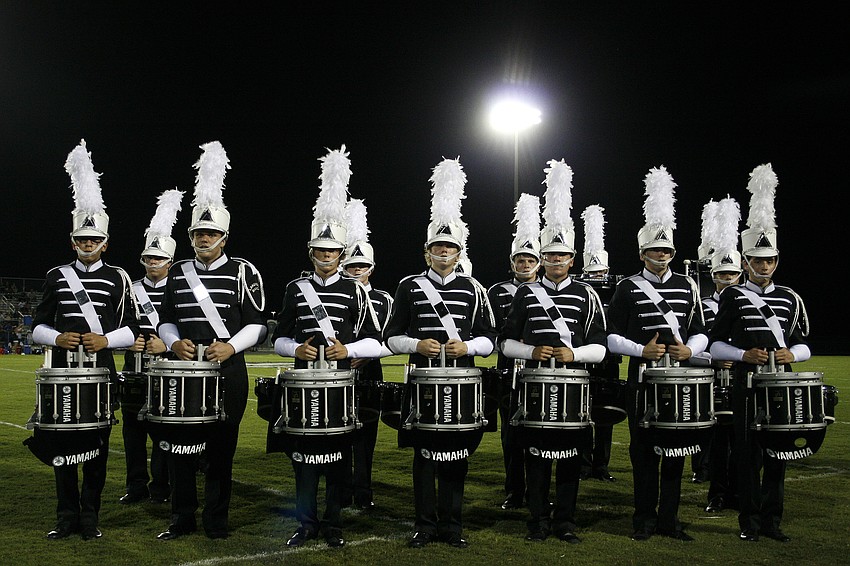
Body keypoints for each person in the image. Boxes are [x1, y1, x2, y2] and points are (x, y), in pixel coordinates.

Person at [270, 147, 382, 549]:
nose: (326, 257)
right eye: (320, 251)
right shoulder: (295, 288)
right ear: (312, 252)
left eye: (332, 251)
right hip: (304, 382)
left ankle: (333, 524)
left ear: (341, 254)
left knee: (337, 456)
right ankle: (305, 523)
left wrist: (347, 351)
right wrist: (294, 350)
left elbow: (375, 340)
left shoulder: (355, 291)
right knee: (303, 457)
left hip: (341, 383)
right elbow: (278, 338)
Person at [28, 140, 139, 540]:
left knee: (97, 446)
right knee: (62, 445)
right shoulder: (56, 276)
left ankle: (90, 516)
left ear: (105, 242)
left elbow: (132, 329)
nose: (88, 245)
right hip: (62, 372)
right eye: (82, 239)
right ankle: (65, 516)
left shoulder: (118, 277)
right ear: (72, 241)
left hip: (101, 372)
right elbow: (37, 326)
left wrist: (104, 341)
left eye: (94, 240)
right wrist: (58, 336)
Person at [156, 142, 266, 540]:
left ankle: (216, 522)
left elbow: (258, 325)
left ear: (224, 236)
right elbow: (166, 320)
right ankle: (181, 518)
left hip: (228, 369)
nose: (205, 238)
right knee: (180, 448)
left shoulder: (243, 271)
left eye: (212, 233)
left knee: (221, 450)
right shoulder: (178, 272)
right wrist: (173, 343)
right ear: (190, 235)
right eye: (199, 232)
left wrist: (231, 346)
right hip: (184, 370)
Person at [385, 158, 496, 549]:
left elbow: (490, 339)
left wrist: (468, 346)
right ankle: (424, 525)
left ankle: (452, 526)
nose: (443, 251)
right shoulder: (409, 286)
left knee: (457, 455)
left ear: (459, 250)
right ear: (427, 251)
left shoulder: (474, 288)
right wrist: (416, 345)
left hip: (463, 383)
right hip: (422, 382)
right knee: (424, 456)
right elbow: (390, 337)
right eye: (437, 246)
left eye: (449, 246)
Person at [499, 160, 607, 543]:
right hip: (534, 386)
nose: (556, 260)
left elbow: (601, 348)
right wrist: (532, 352)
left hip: (574, 387)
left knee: (570, 459)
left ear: (572, 259)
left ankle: (565, 522)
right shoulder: (526, 293)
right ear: (542, 257)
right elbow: (504, 342)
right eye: (550, 255)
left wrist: (573, 356)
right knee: (536, 458)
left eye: (563, 256)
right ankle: (537, 522)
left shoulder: (587, 294)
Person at [709, 164, 810, 543]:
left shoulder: (789, 297)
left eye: (769, 260)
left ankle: (772, 522)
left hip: (780, 384)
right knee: (748, 454)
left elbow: (803, 343)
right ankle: (749, 522)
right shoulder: (733, 296)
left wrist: (792, 356)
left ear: (776, 261)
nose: (764, 265)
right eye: (757, 260)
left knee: (778, 455)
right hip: (746, 383)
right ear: (746, 262)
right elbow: (715, 343)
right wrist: (742, 355)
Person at [606, 167, 707, 542]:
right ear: (642, 253)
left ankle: (669, 521)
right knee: (644, 452)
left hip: (679, 379)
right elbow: (608, 337)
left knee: (677, 449)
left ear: (673, 252)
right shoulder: (627, 287)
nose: (660, 255)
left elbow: (702, 331)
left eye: (666, 250)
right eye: (654, 250)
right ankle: (644, 520)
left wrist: (690, 349)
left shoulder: (688, 285)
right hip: (641, 379)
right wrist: (640, 350)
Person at [119, 189, 183, 505]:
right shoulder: (129, 290)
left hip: (168, 370)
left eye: (158, 258)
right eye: (148, 258)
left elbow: (188, 329)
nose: (152, 262)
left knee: (162, 431)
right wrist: (129, 341)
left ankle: (160, 486)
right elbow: (117, 326)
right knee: (132, 433)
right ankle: (135, 486)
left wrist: (166, 346)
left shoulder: (182, 290)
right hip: (134, 370)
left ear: (170, 261)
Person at [486, 193, 541, 510]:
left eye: (530, 260)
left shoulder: (546, 291)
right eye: (520, 260)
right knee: (510, 433)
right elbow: (491, 331)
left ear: (539, 263)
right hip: (508, 371)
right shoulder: (496, 292)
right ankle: (514, 490)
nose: (525, 265)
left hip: (539, 370)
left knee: (538, 430)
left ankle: (537, 490)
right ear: (512, 263)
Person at [340, 198, 394, 511]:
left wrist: (370, 354)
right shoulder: (335, 295)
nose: (356, 270)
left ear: (371, 269)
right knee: (339, 433)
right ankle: (341, 491)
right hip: (339, 373)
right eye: (351, 265)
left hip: (370, 374)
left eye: (361, 266)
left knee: (366, 436)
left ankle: (363, 492)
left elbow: (393, 339)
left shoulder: (385, 299)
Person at [690, 197, 742, 512]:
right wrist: (712, 359)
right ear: (714, 276)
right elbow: (691, 347)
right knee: (716, 440)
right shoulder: (702, 307)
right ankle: (717, 492)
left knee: (745, 441)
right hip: (710, 381)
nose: (727, 279)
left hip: (743, 380)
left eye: (732, 274)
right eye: (722, 274)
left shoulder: (750, 304)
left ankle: (741, 494)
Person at [577, 204, 620, 483]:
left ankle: (601, 466)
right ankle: (583, 465)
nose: (597, 277)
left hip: (609, 362)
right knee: (581, 412)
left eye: (600, 271)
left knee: (605, 415)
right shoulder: (579, 294)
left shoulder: (617, 293)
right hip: (584, 359)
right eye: (592, 272)